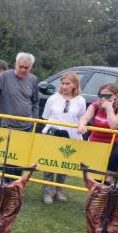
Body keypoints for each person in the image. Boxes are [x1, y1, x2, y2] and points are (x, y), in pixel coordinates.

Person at [40, 72, 86, 203]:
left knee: (64, 163)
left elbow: (81, 118)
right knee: (49, 163)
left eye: (68, 84)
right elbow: (45, 117)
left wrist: (80, 126)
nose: (65, 86)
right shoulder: (53, 98)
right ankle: (47, 192)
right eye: (63, 83)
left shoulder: (80, 100)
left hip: (70, 135)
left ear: (75, 85)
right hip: (52, 133)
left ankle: (59, 190)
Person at [78, 83, 118, 175]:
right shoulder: (95, 105)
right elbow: (85, 117)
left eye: (107, 96)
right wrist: (82, 125)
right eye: (101, 96)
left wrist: (109, 108)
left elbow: (114, 125)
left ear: (116, 96)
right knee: (95, 174)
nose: (103, 99)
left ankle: (108, 183)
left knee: (113, 164)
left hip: (115, 141)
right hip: (96, 141)